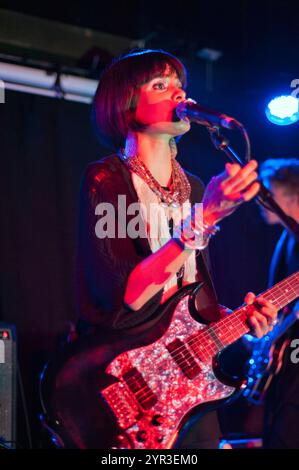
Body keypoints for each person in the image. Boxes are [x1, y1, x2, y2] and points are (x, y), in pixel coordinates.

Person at [76, 49, 278, 449]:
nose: (179, 94)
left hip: (189, 382)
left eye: (180, 85)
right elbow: (131, 296)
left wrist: (235, 319)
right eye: (161, 85)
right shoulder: (106, 179)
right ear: (126, 102)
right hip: (133, 377)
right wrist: (205, 220)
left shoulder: (196, 187)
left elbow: (188, 293)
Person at [259, 158, 299, 448]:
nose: (262, 201)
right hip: (286, 357)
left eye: (268, 194)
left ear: (294, 197)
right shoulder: (286, 239)